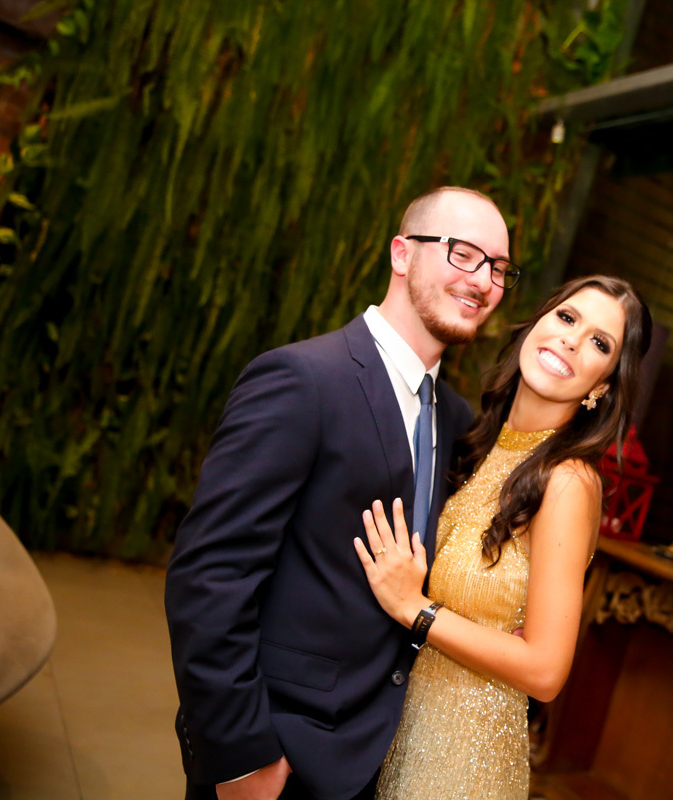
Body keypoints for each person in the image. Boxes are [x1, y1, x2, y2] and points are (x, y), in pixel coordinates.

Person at [165, 186, 516, 800]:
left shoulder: (456, 419)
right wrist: (241, 756)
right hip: (278, 751)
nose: (482, 281)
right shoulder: (302, 379)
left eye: (499, 268)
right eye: (462, 253)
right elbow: (209, 576)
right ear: (402, 254)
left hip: (380, 761)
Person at [352, 275, 652, 800]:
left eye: (599, 344)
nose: (571, 340)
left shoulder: (567, 481)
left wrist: (415, 609)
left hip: (463, 762)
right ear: (537, 323)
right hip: (402, 734)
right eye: (567, 318)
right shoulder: (480, 444)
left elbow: (546, 670)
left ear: (603, 386)